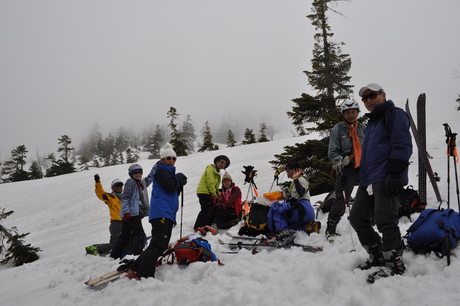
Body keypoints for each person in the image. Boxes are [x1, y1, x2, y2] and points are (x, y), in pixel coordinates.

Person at [349, 83, 412, 282]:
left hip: (386, 177)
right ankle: (376, 254)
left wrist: (394, 174)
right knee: (357, 218)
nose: (368, 101)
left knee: (385, 220)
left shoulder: (395, 114)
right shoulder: (373, 123)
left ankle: (394, 262)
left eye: (372, 96)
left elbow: (402, 144)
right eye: (365, 99)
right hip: (368, 180)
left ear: (383, 95)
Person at [126, 143, 187, 279]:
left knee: (158, 244)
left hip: (166, 213)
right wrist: (180, 177)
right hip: (161, 212)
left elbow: (172, 191)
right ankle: (144, 275)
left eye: (174, 158)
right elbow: (170, 186)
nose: (171, 160)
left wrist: (179, 181)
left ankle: (135, 268)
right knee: (158, 245)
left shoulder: (168, 173)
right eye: (168, 158)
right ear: (162, 160)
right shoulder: (160, 171)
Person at [326, 100, 366, 241]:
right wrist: (339, 160)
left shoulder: (363, 129)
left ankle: (367, 223)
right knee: (342, 199)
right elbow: (332, 150)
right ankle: (331, 227)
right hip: (347, 168)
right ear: (344, 114)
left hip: (364, 166)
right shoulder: (338, 129)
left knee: (369, 194)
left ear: (357, 112)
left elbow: (369, 147)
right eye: (348, 112)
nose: (351, 115)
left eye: (354, 112)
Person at [110, 163, 152, 259]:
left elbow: (149, 179)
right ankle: (136, 253)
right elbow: (125, 198)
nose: (138, 174)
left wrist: (157, 166)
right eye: (135, 173)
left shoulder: (138, 183)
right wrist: (126, 212)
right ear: (131, 174)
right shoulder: (131, 182)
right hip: (131, 214)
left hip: (130, 214)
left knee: (125, 235)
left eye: (140, 172)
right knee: (139, 233)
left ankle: (114, 254)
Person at [267, 161, 315, 235]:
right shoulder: (299, 180)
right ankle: (308, 227)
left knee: (276, 209)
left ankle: (282, 233)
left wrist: (296, 179)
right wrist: (284, 198)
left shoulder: (300, 179)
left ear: (294, 170)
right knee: (290, 225)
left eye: (288, 170)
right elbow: (297, 196)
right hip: (306, 211)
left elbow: (301, 193)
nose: (287, 173)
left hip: (302, 209)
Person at [85, 175, 124, 256]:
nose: (119, 187)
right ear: (113, 188)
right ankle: (95, 248)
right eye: (116, 185)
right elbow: (100, 193)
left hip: (124, 223)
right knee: (116, 244)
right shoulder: (111, 197)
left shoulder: (124, 198)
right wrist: (98, 182)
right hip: (116, 223)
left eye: (120, 185)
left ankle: (103, 250)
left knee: (122, 242)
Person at [193, 155, 230, 231]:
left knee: (208, 209)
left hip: (207, 192)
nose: (222, 164)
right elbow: (210, 182)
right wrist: (214, 194)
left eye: (224, 164)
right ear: (217, 161)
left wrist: (219, 195)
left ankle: (202, 226)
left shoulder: (217, 172)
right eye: (221, 162)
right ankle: (198, 227)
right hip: (204, 192)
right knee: (206, 209)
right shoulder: (211, 168)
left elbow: (216, 186)